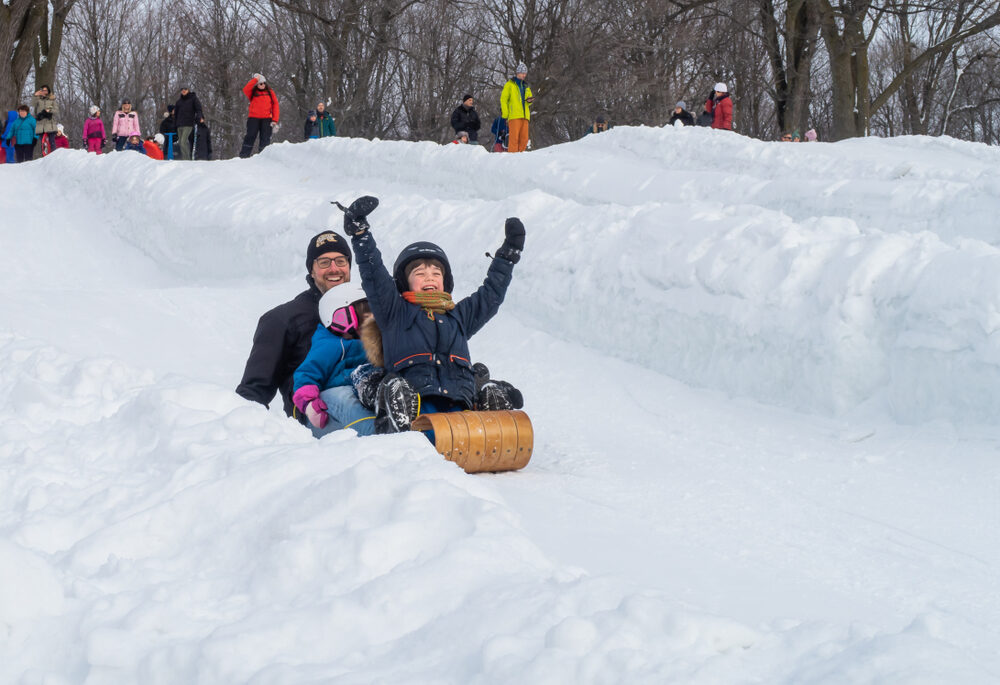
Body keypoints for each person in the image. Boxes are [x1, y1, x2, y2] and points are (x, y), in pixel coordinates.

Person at [338, 195, 524, 433]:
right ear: (405, 283)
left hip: (459, 405)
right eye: (420, 272)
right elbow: (374, 274)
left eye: (437, 273)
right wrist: (360, 232)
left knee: (488, 389)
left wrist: (507, 258)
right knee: (396, 389)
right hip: (416, 404)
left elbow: (490, 295)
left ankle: (496, 429)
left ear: (445, 283)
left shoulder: (458, 316)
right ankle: (398, 429)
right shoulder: (395, 312)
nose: (430, 277)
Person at [236, 230, 354, 425]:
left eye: (341, 261)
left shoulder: (366, 310)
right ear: (311, 270)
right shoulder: (282, 319)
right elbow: (253, 392)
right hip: (317, 419)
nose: (334, 269)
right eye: (324, 262)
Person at [292, 284, 377, 437]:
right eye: (364, 316)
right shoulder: (329, 344)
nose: (371, 322)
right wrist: (309, 404)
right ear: (341, 317)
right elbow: (306, 374)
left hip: (364, 393)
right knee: (344, 397)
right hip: (327, 408)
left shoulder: (376, 342)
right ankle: (380, 435)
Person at [240, 73, 280, 158]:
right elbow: (245, 89)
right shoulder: (252, 93)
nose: (263, 85)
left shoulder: (270, 92)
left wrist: (275, 120)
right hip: (253, 119)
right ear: (257, 84)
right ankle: (244, 156)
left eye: (264, 83)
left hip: (267, 119)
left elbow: (275, 105)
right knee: (250, 137)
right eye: (260, 83)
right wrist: (255, 79)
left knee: (265, 138)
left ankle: (264, 157)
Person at [500, 63, 533, 153]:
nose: (524, 75)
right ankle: (512, 157)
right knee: (514, 138)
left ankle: (521, 156)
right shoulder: (509, 85)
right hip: (514, 115)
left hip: (525, 115)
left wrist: (529, 101)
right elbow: (503, 99)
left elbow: (529, 99)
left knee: (525, 138)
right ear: (518, 73)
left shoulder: (526, 85)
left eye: (525, 73)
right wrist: (505, 113)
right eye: (522, 73)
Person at [173, 86, 203, 161]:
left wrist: (199, 117)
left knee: (183, 141)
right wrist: (175, 124)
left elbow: (199, 109)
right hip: (179, 124)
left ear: (188, 90)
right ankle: (185, 158)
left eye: (185, 89)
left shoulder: (193, 99)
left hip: (188, 123)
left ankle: (187, 159)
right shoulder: (179, 102)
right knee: (181, 142)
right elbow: (176, 114)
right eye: (182, 89)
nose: (183, 91)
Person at [31, 85, 59, 156]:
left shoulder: (52, 100)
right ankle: (45, 157)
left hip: (50, 123)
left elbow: (56, 110)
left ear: (48, 91)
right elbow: (32, 104)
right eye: (43, 90)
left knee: (52, 141)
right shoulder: (38, 99)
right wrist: (35, 95)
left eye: (46, 90)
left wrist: (48, 111)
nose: (44, 92)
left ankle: (53, 156)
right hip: (41, 124)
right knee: (43, 143)